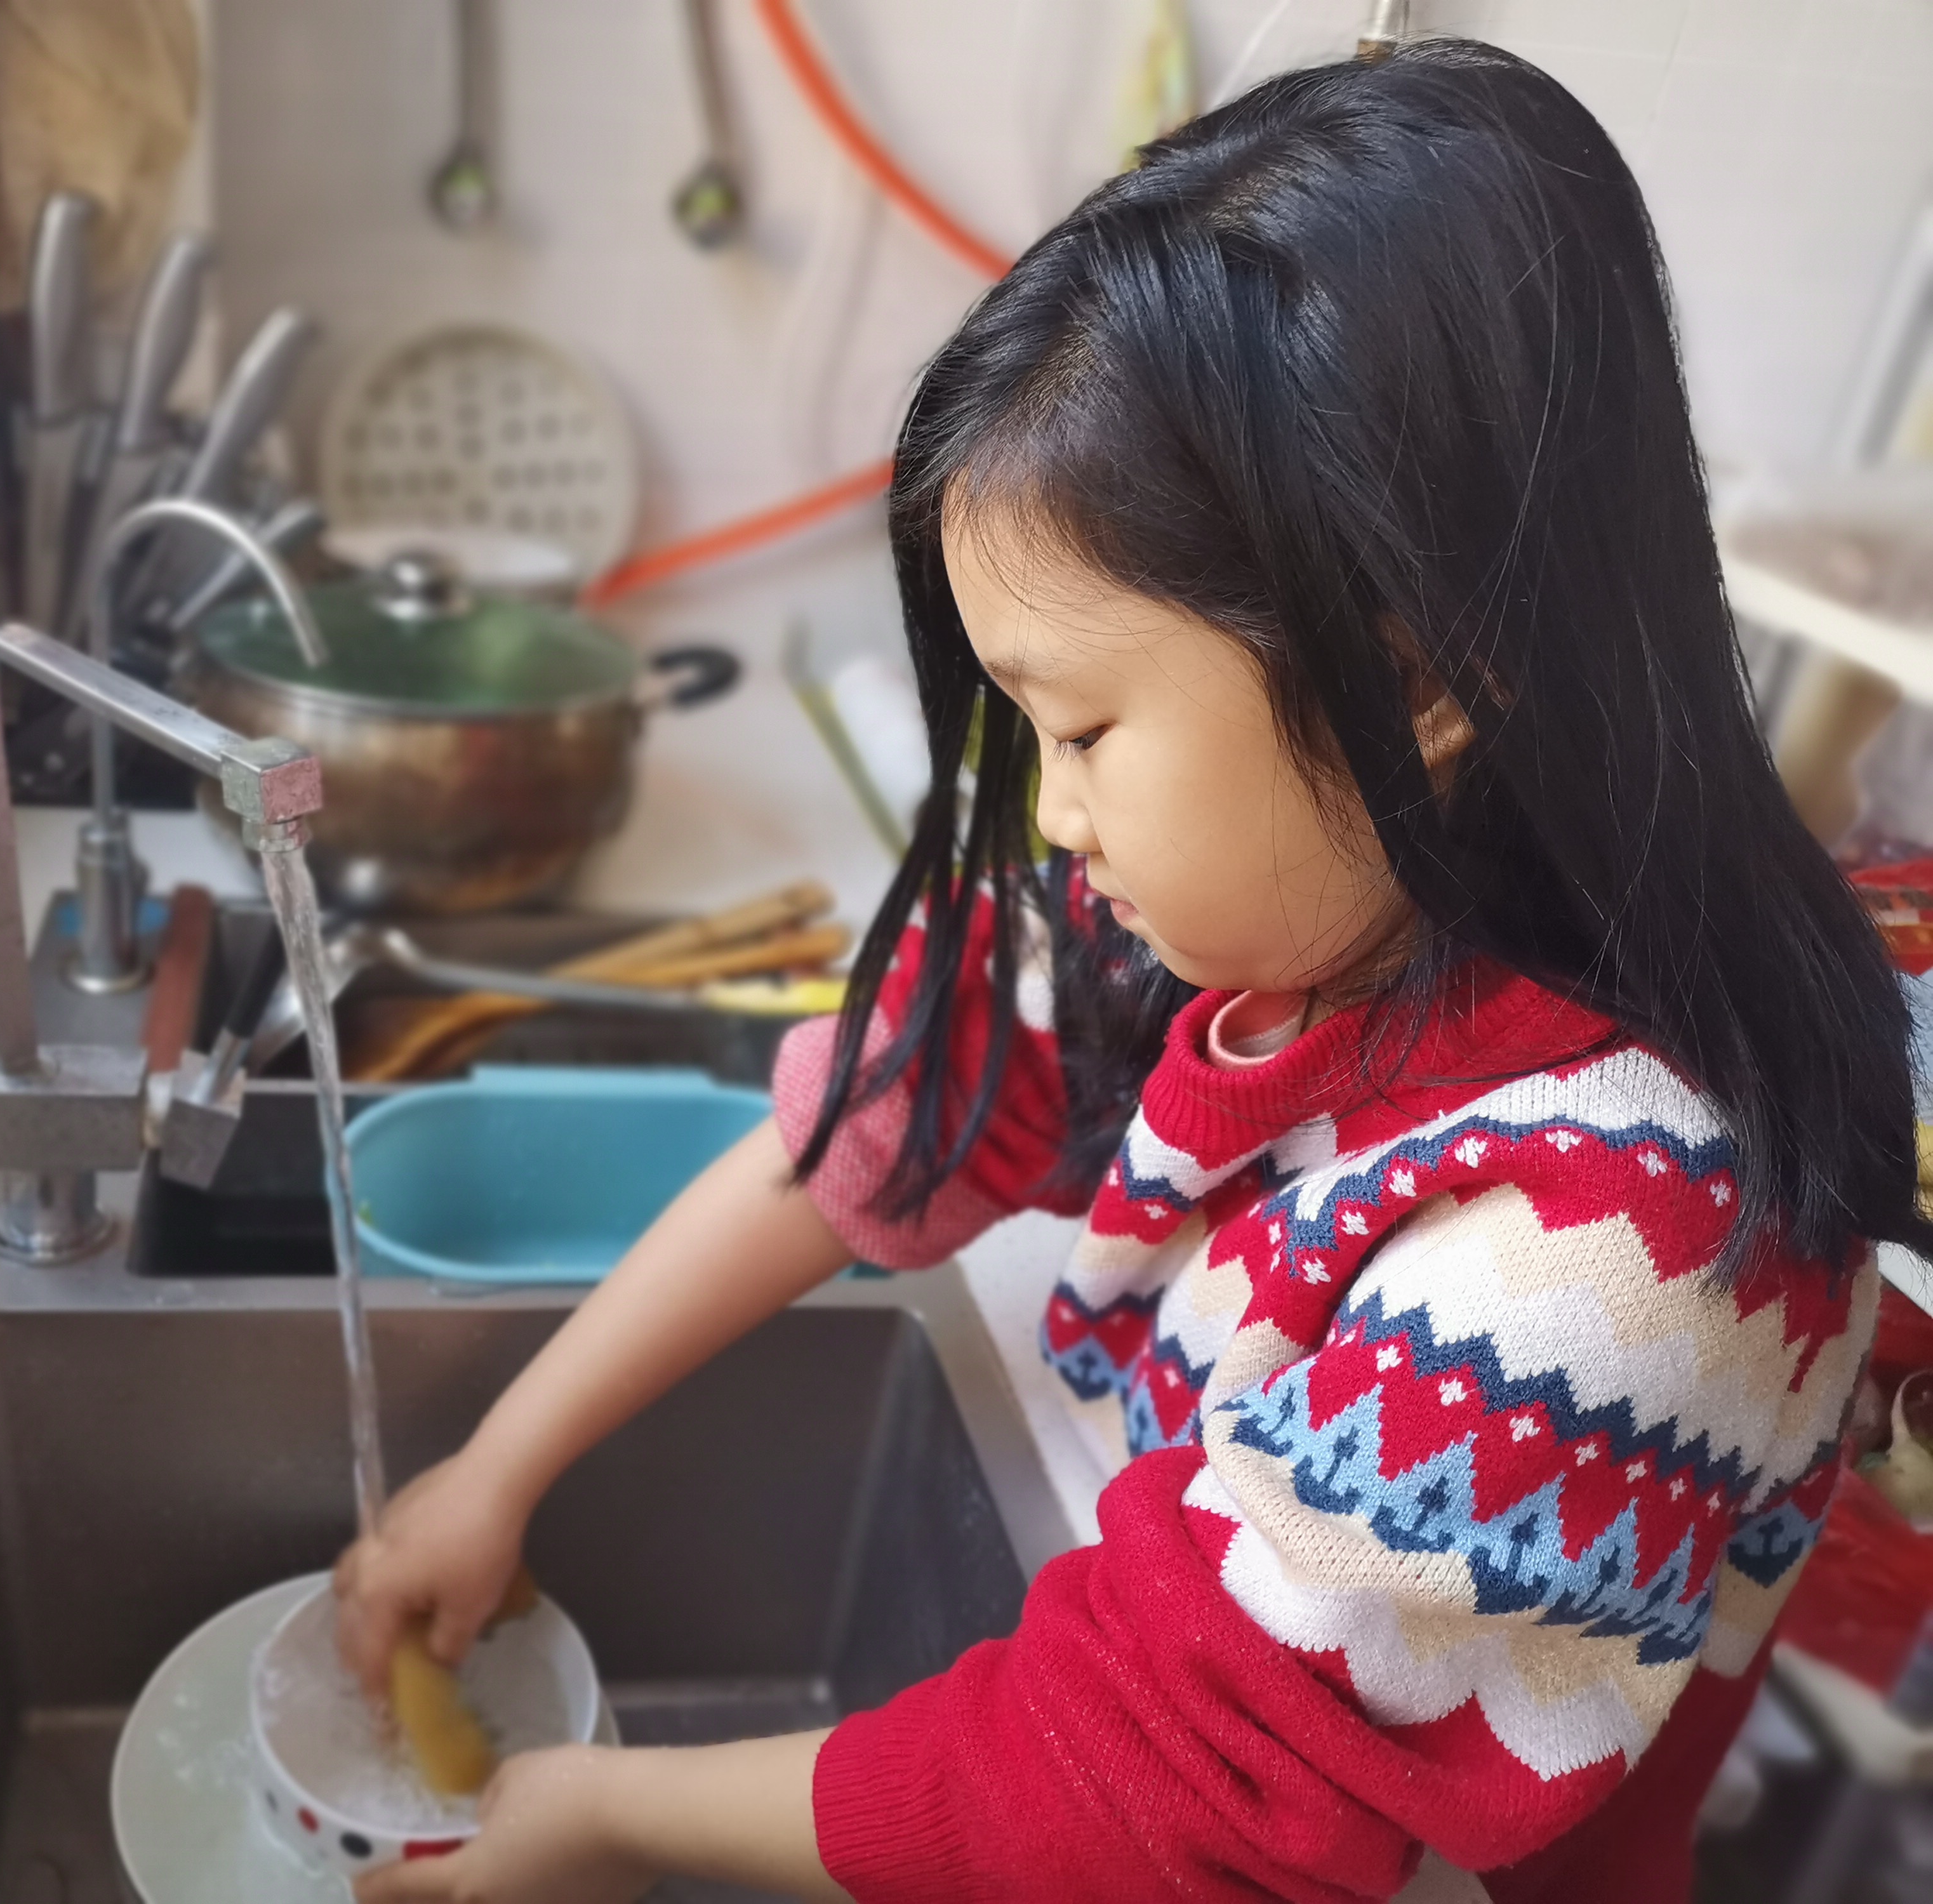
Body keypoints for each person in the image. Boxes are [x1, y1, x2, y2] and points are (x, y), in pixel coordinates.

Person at [334, 39, 1930, 1903]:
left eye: (1083, 727)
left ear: (1411, 681)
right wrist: (498, 1468)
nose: (1053, 812)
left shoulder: (1620, 1252)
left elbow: (1149, 1797)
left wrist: (602, 1811)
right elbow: (897, 1111)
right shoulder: (1274, 898)